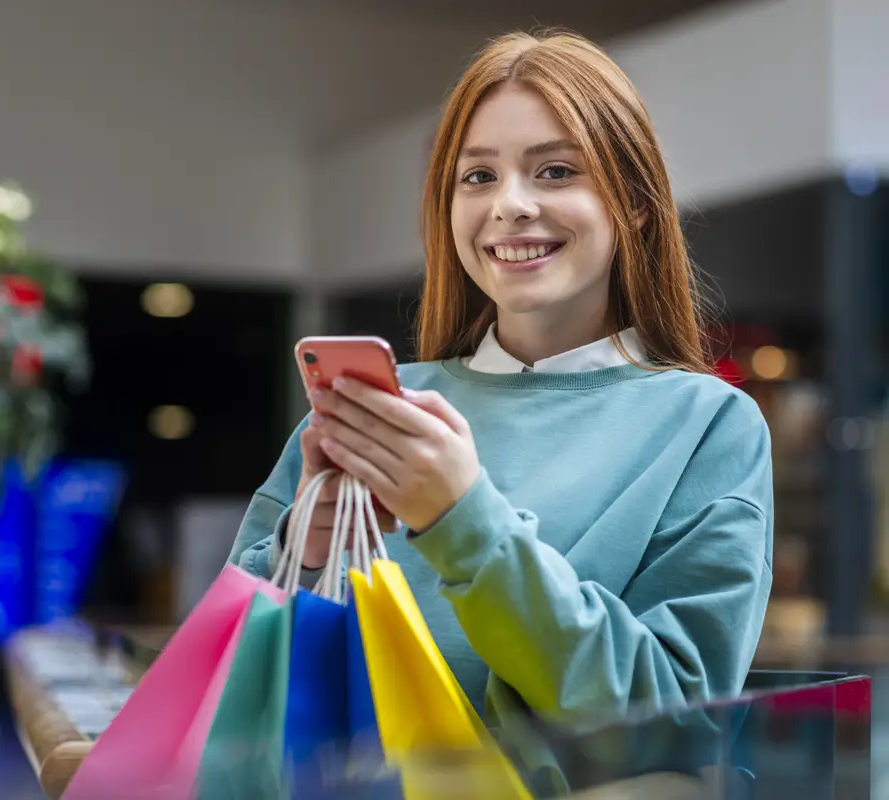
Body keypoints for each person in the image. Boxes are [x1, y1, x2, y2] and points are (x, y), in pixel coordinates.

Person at [227, 29, 772, 791]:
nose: (510, 206)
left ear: (639, 204)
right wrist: (304, 546)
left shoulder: (707, 426)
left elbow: (675, 721)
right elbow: (230, 682)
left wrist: (463, 521)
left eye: (555, 171)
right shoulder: (377, 410)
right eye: (476, 176)